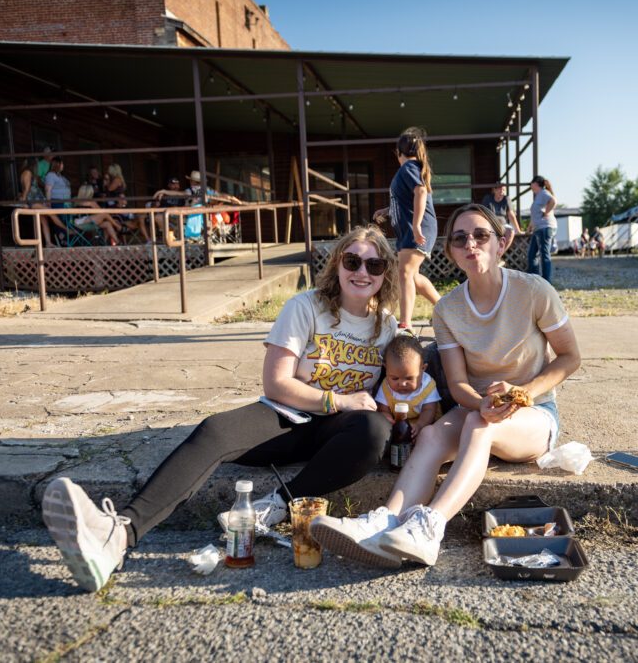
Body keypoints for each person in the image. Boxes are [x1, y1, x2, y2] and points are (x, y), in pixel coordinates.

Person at [41, 226, 400, 592]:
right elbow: (277, 384)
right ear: (337, 264)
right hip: (287, 418)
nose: (362, 272)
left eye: (374, 265)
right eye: (352, 261)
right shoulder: (305, 306)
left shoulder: (386, 326)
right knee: (214, 429)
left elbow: (403, 383)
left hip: (340, 432)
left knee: (374, 432)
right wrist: (336, 400)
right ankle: (118, 534)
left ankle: (275, 506)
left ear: (385, 273)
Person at [311, 203, 581, 567]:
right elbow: (457, 384)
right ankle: (384, 521)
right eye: (459, 238)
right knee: (432, 434)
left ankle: (430, 527)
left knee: (479, 424)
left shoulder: (534, 291)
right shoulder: (447, 310)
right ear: (451, 252)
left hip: (535, 414)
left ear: (501, 243)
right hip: (477, 409)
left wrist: (524, 392)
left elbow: (570, 357)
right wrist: (480, 402)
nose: (470, 243)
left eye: (481, 235)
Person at [372, 128, 441, 332]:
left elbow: (420, 191)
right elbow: (406, 199)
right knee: (413, 276)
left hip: (415, 228)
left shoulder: (408, 167)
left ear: (398, 152)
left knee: (405, 273)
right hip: (409, 230)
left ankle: (406, 323)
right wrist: (387, 210)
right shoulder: (411, 168)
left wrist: (417, 225)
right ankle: (445, 309)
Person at [375, 334, 442, 437]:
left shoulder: (427, 386)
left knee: (428, 434)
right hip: (399, 425)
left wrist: (419, 425)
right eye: (395, 378)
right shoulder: (386, 387)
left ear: (423, 369)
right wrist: (388, 420)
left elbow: (429, 410)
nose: (402, 384)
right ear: (386, 369)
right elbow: (384, 410)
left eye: (409, 378)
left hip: (426, 423)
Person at [18, 158, 58, 247]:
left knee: (44, 221)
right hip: (33, 200)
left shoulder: (29, 173)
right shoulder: (27, 173)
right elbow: (26, 189)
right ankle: (66, 229)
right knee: (50, 212)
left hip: (37, 199)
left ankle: (48, 242)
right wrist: (24, 202)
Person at [526, 176, 557, 281]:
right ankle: (534, 280)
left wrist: (546, 212)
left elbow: (553, 201)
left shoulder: (543, 193)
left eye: (531, 185)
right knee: (531, 255)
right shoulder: (538, 196)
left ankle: (546, 282)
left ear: (535, 184)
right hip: (537, 229)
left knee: (544, 255)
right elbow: (535, 214)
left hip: (545, 227)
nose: (531, 187)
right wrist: (529, 227)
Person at [43, 156, 73, 244]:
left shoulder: (61, 176)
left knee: (67, 220)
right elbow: (48, 189)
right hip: (57, 201)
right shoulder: (51, 175)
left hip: (66, 202)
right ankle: (61, 238)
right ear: (57, 164)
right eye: (61, 163)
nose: (63, 165)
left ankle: (65, 239)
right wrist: (48, 202)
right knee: (61, 219)